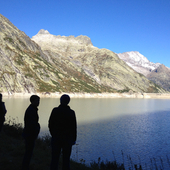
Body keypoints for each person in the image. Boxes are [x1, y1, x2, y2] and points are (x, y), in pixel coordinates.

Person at [49, 94, 77, 170]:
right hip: (67, 140)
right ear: (68, 102)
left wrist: (53, 134)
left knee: (54, 159)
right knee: (66, 160)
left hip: (56, 138)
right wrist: (73, 139)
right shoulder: (71, 112)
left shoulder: (55, 110)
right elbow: (74, 127)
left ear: (60, 101)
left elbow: (50, 124)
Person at [22, 95, 40, 170]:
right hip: (30, 134)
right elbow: (31, 124)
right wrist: (37, 128)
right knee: (29, 151)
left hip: (29, 134)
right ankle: (25, 167)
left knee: (29, 151)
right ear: (33, 101)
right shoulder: (31, 110)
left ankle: (26, 165)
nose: (38, 102)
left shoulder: (31, 109)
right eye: (37, 101)